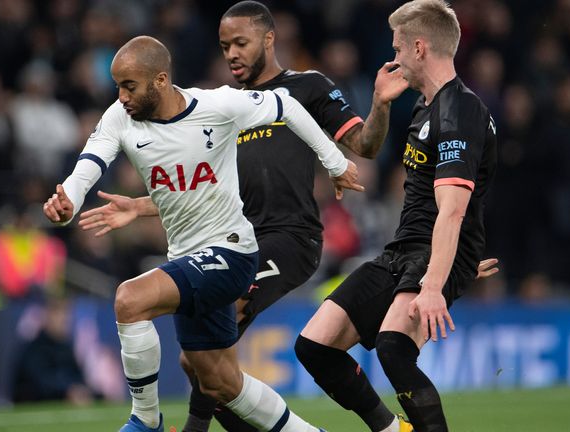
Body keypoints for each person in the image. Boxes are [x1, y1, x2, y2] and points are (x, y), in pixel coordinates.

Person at [78, 3, 498, 431]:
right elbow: (207, 187)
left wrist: (377, 107)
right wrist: (141, 205)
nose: (232, 55)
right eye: (224, 46)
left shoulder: (307, 88)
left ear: (269, 39)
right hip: (233, 238)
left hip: (288, 238)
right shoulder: (223, 106)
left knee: (230, 329)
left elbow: (366, 146)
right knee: (203, 366)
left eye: (240, 43)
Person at [43, 35, 364, 432]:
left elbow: (289, 107)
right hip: (186, 259)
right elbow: (89, 163)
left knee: (130, 299)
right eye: (118, 86)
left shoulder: (218, 105)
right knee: (221, 382)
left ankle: (145, 421)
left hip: (233, 253)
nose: (121, 96)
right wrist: (69, 199)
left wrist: (334, 162)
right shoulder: (118, 118)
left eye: (130, 86)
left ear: (160, 80)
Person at [293, 1, 497, 431]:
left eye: (398, 48)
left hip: (431, 254)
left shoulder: (459, 110)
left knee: (393, 347)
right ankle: (393, 428)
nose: (394, 58)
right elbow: (372, 149)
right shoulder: (424, 107)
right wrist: (380, 105)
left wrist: (441, 280)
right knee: (315, 346)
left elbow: (454, 210)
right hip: (404, 250)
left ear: (419, 48)